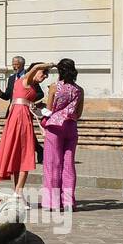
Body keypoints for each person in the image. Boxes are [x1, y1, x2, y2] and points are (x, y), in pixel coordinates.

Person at [0, 62, 50, 201]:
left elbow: (24, 99)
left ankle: (17, 192)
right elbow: (35, 68)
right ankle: (18, 193)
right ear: (34, 71)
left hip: (19, 115)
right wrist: (49, 64)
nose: (45, 77)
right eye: (43, 73)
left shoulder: (26, 82)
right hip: (21, 117)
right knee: (26, 154)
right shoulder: (26, 79)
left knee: (19, 154)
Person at [41, 58, 84, 212]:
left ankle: (51, 202)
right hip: (71, 127)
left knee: (52, 165)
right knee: (68, 165)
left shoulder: (54, 87)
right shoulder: (79, 90)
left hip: (55, 127)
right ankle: (68, 202)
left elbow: (49, 109)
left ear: (59, 71)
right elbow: (78, 114)